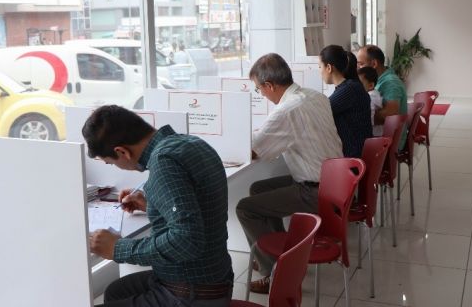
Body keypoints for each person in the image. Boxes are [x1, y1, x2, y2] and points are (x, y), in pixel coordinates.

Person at [83, 106, 233, 306]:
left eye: (110, 162)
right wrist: (153, 205)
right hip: (215, 277)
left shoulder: (164, 162)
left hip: (192, 292)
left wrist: (118, 249)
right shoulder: (191, 143)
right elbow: (200, 207)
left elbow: (187, 241)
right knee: (116, 291)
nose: (115, 166)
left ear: (122, 151)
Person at [236, 53, 343, 294]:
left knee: (245, 208)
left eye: (259, 89)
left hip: (316, 191)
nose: (261, 94)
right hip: (337, 182)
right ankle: (280, 257)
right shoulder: (314, 96)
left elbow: (254, 150)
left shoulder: (286, 110)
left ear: (270, 85)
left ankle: (276, 274)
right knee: (258, 190)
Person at [318, 45, 372, 158]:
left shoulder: (349, 89)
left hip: (353, 157)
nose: (319, 72)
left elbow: (321, 111)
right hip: (358, 153)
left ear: (329, 68)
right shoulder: (350, 87)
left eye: (320, 66)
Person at [357, 45, 408, 146]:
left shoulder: (391, 83)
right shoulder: (380, 79)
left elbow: (389, 115)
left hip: (391, 142)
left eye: (361, 64)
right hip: (384, 136)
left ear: (374, 64)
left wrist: (358, 118)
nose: (358, 68)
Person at [358, 66, 383, 137]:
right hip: (375, 134)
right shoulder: (374, 93)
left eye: (360, 84)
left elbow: (368, 118)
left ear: (371, 85)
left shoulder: (371, 97)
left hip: (373, 136)